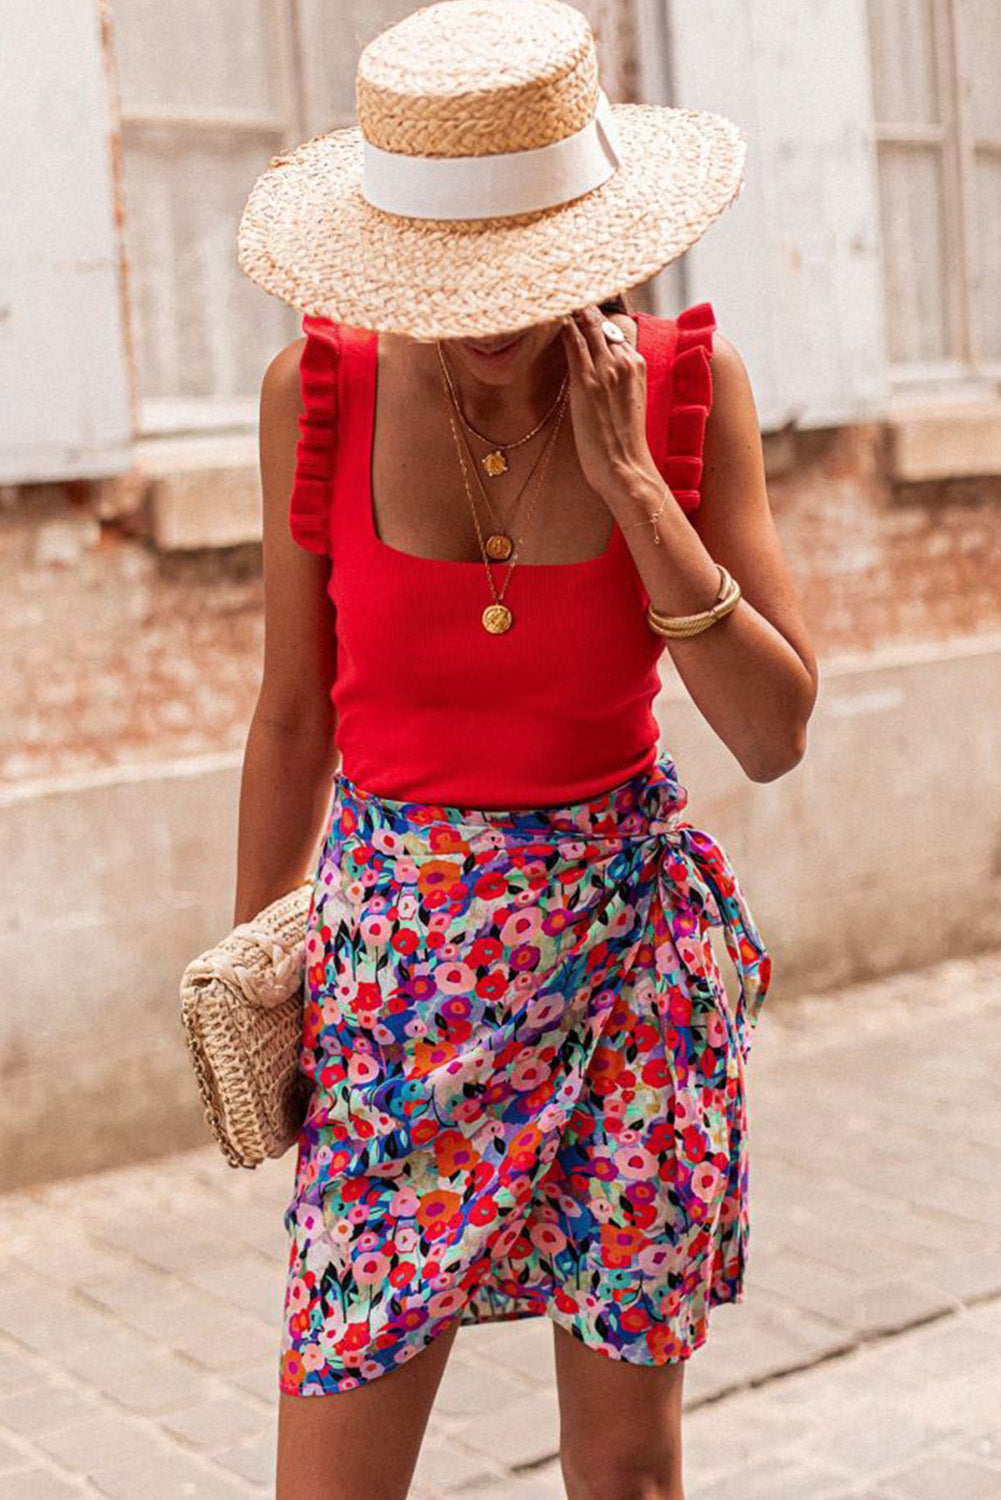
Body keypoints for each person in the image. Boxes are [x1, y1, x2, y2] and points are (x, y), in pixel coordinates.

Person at [235, 2, 818, 1496]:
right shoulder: (320, 394)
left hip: (628, 955)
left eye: (521, 269)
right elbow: (295, 712)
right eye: (447, 275)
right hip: (399, 973)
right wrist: (263, 967)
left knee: (623, 1476)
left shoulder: (692, 393)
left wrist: (636, 488)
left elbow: (772, 731)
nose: (487, 314)